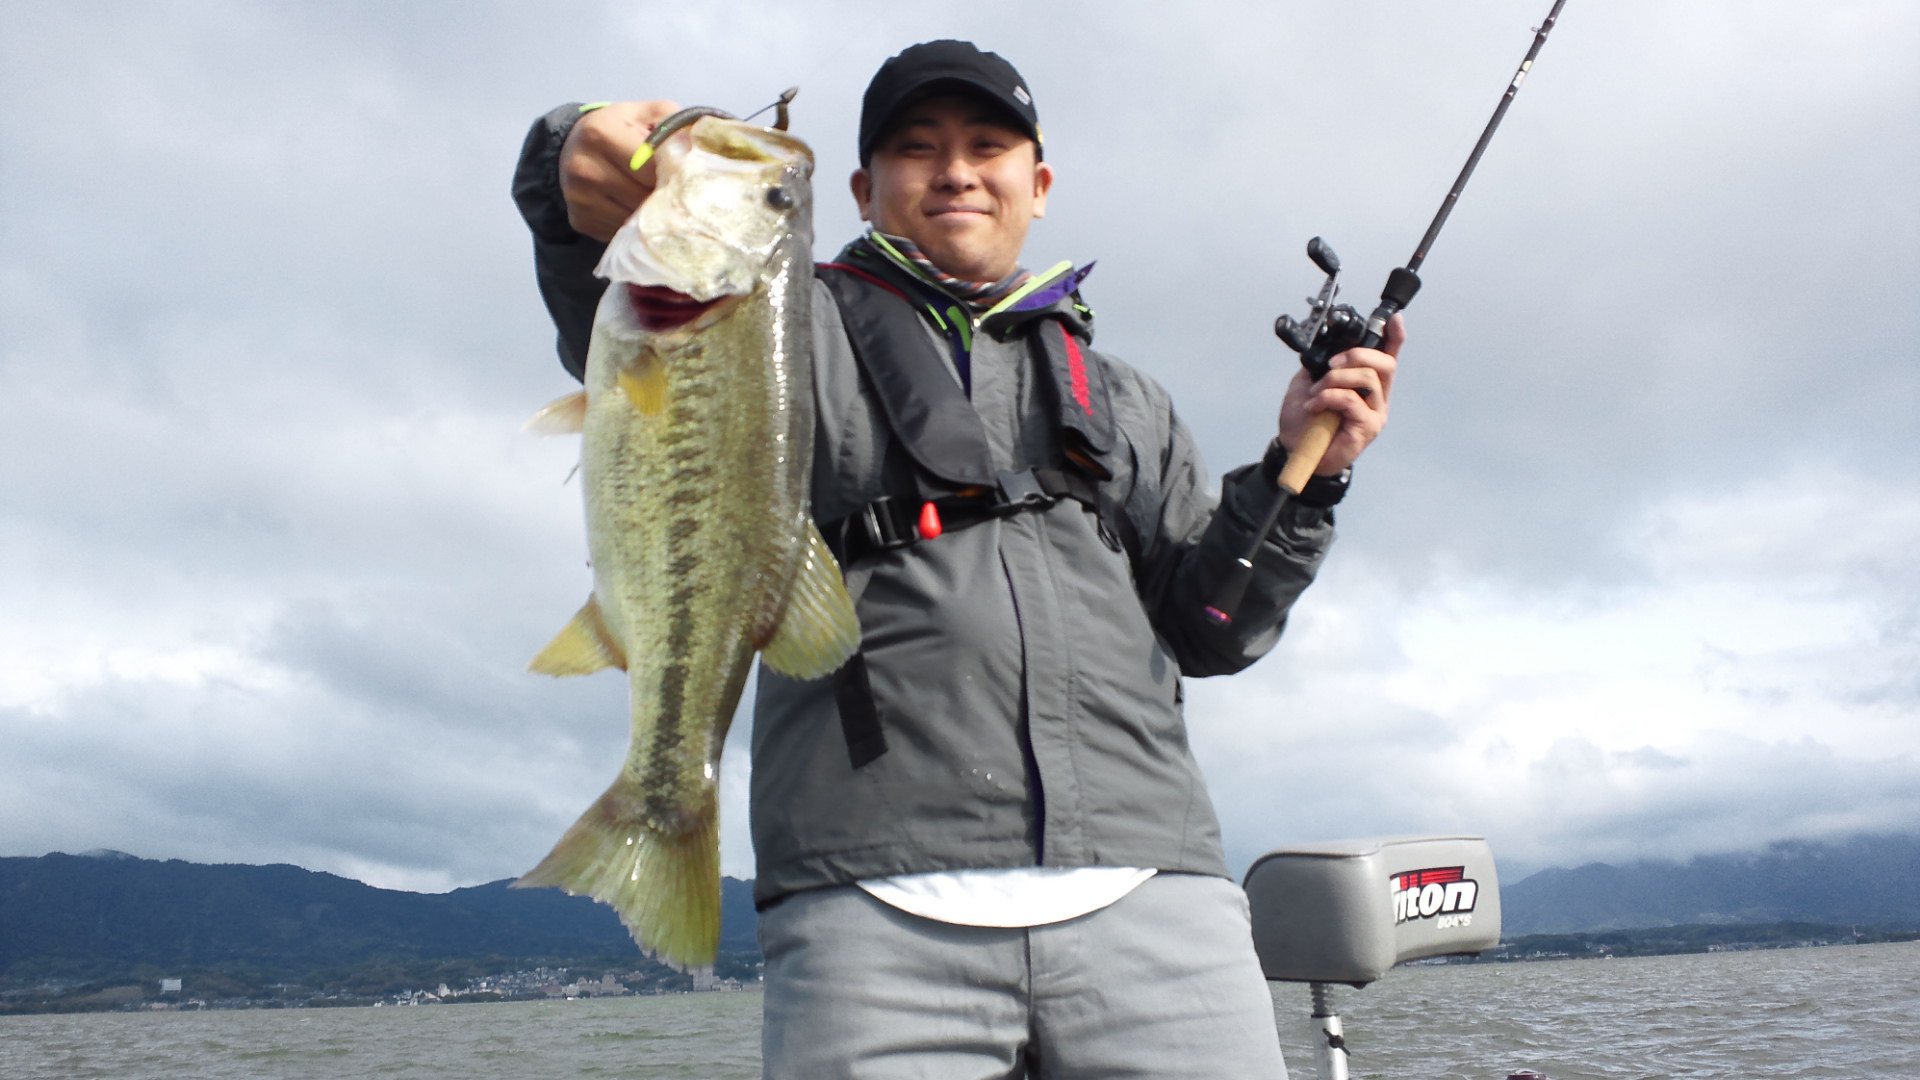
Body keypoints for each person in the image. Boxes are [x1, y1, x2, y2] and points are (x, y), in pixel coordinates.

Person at [513, 39, 1399, 1079]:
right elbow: (620, 285)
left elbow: (1214, 628)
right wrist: (567, 155)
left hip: (1159, 894)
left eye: (988, 145)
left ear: (1039, 184)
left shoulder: (1128, 399)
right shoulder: (772, 318)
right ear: (862, 190)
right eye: (917, 147)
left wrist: (1307, 477)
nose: (956, 171)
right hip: (870, 902)